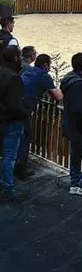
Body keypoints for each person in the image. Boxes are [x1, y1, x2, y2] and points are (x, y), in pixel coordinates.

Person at [18, 53, 62, 180]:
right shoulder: (43, 76)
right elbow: (58, 96)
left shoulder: (28, 71)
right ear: (46, 65)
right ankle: (20, 167)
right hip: (24, 109)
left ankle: (17, 164)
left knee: (18, 136)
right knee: (25, 137)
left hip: (15, 105)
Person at [61, 52, 82, 196]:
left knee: (75, 155)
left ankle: (74, 182)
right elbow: (81, 109)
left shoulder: (69, 79)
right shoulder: (79, 84)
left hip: (71, 124)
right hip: (81, 126)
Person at [0, 46, 25, 201]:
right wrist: (26, 112)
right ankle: (8, 187)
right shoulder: (14, 78)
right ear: (16, 58)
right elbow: (15, 105)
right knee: (9, 156)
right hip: (11, 121)